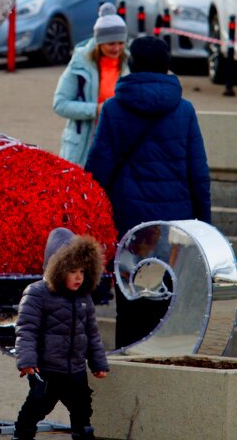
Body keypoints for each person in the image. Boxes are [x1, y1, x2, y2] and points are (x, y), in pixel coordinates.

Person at [85, 35, 211, 348]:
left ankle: (130, 366)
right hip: (173, 228)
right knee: (165, 300)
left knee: (130, 301)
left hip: (130, 226)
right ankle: (161, 369)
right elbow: (198, 173)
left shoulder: (114, 109)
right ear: (167, 66)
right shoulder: (185, 110)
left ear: (132, 64)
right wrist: (204, 228)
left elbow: (97, 171)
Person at [7, 227, 109, 440]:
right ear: (58, 268)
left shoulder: (83, 298)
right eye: (72, 271)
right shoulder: (37, 293)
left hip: (74, 367)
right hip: (47, 367)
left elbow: (92, 334)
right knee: (38, 404)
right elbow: (27, 331)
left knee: (82, 406)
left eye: (82, 272)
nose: (78, 277)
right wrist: (27, 361)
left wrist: (98, 363)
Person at [53, 2, 128, 167]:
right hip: (83, 149)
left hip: (118, 147)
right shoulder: (79, 63)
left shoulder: (129, 64)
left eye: (121, 43)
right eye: (111, 43)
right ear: (99, 42)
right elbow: (60, 104)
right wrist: (95, 110)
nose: (117, 48)